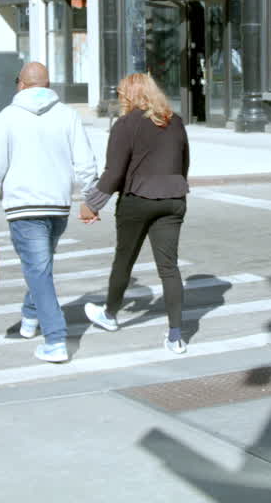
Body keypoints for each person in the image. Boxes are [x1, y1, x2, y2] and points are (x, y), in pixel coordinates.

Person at [0, 61, 100, 364]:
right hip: (57, 205)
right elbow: (85, 162)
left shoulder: (6, 117)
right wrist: (91, 199)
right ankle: (30, 319)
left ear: (21, 84)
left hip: (23, 206)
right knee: (40, 267)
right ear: (48, 84)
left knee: (38, 270)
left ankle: (55, 339)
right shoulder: (68, 115)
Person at [81, 72, 191, 354]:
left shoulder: (125, 125)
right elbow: (184, 163)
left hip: (137, 199)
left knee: (124, 259)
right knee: (169, 268)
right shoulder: (175, 121)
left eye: (121, 95)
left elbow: (114, 173)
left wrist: (92, 204)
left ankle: (109, 315)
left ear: (128, 95)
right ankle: (176, 336)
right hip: (173, 198)